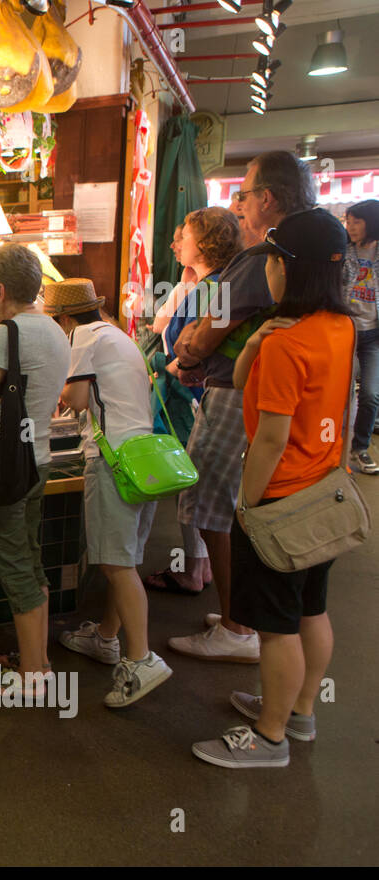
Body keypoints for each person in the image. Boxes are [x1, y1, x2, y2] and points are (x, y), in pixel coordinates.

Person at [193, 207, 354, 768]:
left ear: (288, 269)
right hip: (324, 492)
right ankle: (299, 713)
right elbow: (243, 382)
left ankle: (269, 737)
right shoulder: (339, 327)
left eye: (273, 260)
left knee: (275, 628)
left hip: (280, 499)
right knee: (311, 611)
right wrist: (257, 340)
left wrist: (247, 506)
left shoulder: (292, 344)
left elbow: (269, 440)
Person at [170, 151, 315, 663]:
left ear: (268, 199)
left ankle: (236, 626)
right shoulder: (308, 253)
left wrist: (189, 348)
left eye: (246, 193)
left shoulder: (263, 260)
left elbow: (205, 334)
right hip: (284, 400)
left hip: (236, 396)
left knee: (213, 503)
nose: (241, 203)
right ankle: (244, 620)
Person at [47, 279, 172, 706]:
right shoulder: (118, 334)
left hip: (112, 459)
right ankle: (106, 637)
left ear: (64, 319)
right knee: (127, 558)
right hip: (143, 458)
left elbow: (78, 398)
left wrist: (54, 384)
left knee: (115, 564)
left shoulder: (82, 336)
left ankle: (141, 660)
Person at [0, 243, 72, 699]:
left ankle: (32, 676)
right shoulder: (52, 328)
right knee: (31, 558)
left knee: (15, 567)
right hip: (40, 460)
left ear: (0, 289)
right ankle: (39, 661)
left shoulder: (8, 333)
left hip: (9, 467)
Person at [143, 206, 242, 596]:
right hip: (197, 394)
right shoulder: (208, 285)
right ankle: (197, 566)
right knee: (194, 484)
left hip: (196, 397)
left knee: (195, 485)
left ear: (202, 244)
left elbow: (191, 352)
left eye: (183, 237)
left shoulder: (211, 289)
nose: (176, 243)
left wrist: (165, 371)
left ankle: (201, 575)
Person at [344, 199, 379, 474]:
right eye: (348, 220)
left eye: (356, 221)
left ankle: (360, 448)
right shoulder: (343, 251)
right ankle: (335, 448)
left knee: (370, 394)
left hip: (373, 336)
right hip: (345, 332)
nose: (350, 226)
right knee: (342, 395)